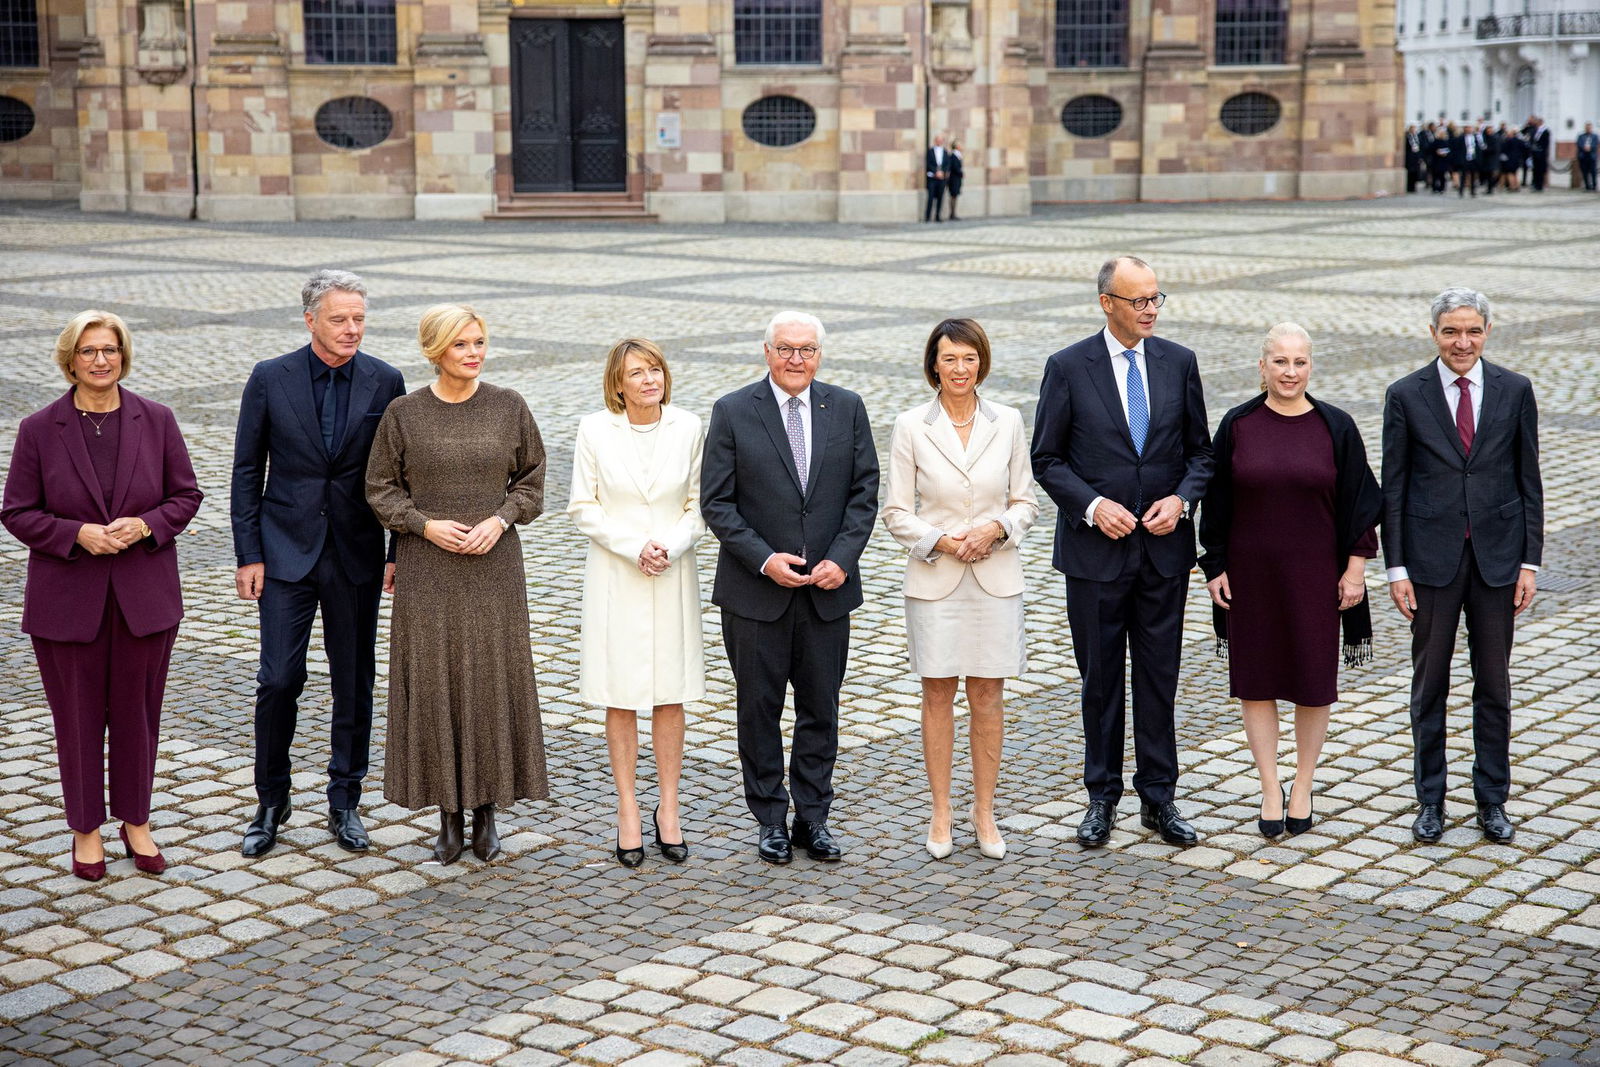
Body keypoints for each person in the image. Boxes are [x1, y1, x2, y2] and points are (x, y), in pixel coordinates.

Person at [1, 311, 202, 880]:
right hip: (68, 603)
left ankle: (136, 821)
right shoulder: (40, 429)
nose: (100, 360)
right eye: (88, 351)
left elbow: (185, 495)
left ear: (123, 355)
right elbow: (16, 511)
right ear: (70, 360)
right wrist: (76, 534)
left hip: (144, 597)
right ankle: (85, 830)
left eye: (110, 349)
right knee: (78, 719)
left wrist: (144, 526)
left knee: (139, 716)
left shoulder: (156, 420)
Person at [1031, 256, 1213, 848]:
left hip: (1163, 552)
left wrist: (1182, 501)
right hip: (1095, 555)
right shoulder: (1066, 366)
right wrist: (1091, 506)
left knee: (1160, 678)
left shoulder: (1179, 362)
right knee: (1101, 681)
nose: (1151, 310)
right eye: (1139, 301)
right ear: (1107, 303)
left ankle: (1160, 799)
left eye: (1157, 298)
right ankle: (1101, 798)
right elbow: (1047, 459)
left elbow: (1200, 454)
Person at [231, 269, 406, 858]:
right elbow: (246, 470)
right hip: (284, 553)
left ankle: (345, 800)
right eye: (340, 319)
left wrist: (396, 551)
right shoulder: (269, 378)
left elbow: (400, 477)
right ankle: (271, 800)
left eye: (359, 318)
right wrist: (248, 552)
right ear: (310, 320)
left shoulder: (386, 380)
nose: (352, 328)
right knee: (279, 678)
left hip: (356, 555)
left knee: (353, 681)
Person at [365, 304, 548, 864]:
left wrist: (500, 519)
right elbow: (380, 488)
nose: (474, 353)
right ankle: (447, 813)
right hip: (429, 570)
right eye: (461, 344)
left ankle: (488, 811)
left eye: (479, 342)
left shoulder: (508, 406)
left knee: (492, 680)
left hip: (494, 568)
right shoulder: (404, 414)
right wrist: (425, 526)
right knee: (436, 681)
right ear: (435, 351)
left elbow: (533, 480)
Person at [700, 310, 879, 864]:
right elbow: (717, 503)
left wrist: (842, 559)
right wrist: (762, 560)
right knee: (759, 707)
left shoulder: (846, 407)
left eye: (806, 350)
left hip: (827, 591)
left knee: (821, 708)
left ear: (820, 354)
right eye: (785, 349)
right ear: (767, 351)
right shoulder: (733, 411)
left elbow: (864, 493)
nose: (796, 359)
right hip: (756, 594)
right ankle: (770, 819)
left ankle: (814, 817)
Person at [1199, 323, 1380, 839]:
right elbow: (1215, 504)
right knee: (1256, 684)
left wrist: (1355, 568)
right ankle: (1270, 787)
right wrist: (1215, 567)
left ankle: (1303, 784)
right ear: (1262, 367)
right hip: (1252, 578)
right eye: (1280, 361)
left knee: (1312, 685)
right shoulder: (1238, 425)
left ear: (1311, 367)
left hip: (1316, 578)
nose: (1290, 372)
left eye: (1299, 362)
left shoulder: (1336, 426)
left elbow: (1361, 502)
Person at [1383, 288, 1542, 845]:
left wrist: (1529, 562)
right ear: (1434, 334)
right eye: (1451, 331)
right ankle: (1430, 801)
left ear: (1488, 332)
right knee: (1429, 686)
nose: (1462, 342)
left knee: (1493, 686)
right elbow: (1394, 488)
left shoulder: (1515, 390)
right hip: (1430, 565)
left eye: (1472, 331)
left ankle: (1492, 801)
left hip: (1499, 562)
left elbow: (1529, 483)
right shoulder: (1405, 395)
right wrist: (1395, 568)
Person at [882, 318, 1038, 860]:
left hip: (995, 579)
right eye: (949, 359)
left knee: (989, 696)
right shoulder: (910, 425)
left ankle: (985, 811)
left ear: (982, 363)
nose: (960, 369)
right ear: (934, 365)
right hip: (936, 580)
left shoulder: (1009, 421)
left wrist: (996, 529)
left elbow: (1026, 502)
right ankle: (942, 809)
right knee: (938, 694)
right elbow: (896, 512)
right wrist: (943, 541)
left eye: (969, 359)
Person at [568, 338, 706, 868]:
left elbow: (700, 504)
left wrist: (668, 546)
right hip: (616, 573)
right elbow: (583, 506)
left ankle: (668, 808)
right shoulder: (594, 429)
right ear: (617, 384)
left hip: (672, 571)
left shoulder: (689, 428)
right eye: (637, 373)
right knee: (620, 693)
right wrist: (634, 547)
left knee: (671, 691)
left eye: (655, 370)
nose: (650, 380)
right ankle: (628, 807)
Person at [924, 134, 949, 223]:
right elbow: (928, 163)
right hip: (932, 177)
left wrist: (943, 172)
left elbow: (947, 164)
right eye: (938, 140)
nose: (939, 142)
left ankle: (938, 215)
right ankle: (927, 216)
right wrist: (936, 172)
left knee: (940, 197)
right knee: (930, 197)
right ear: (935, 141)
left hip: (941, 178)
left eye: (941, 140)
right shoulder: (930, 151)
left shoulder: (945, 152)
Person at [1528, 117, 1551, 191]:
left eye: (1537, 122)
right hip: (1535, 154)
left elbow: (1545, 143)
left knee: (1541, 170)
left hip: (1541, 154)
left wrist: (1541, 150)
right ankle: (1535, 184)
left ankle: (1540, 185)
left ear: (1540, 122)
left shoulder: (1545, 131)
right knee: (1535, 170)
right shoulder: (1535, 130)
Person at [946, 140, 965, 221]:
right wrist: (961, 173)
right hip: (953, 179)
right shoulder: (953, 155)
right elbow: (954, 167)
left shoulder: (958, 155)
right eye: (960, 145)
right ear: (957, 146)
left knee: (955, 196)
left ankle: (953, 213)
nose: (962, 146)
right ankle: (952, 214)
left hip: (956, 179)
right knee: (953, 195)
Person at [1577, 122, 1598, 191]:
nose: (1588, 129)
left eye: (1589, 128)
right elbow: (1579, 144)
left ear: (1591, 128)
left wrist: (1590, 148)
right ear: (1585, 128)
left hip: (1592, 156)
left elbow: (1596, 144)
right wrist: (1584, 148)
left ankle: (1594, 186)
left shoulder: (1595, 136)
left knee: (1593, 172)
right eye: (1587, 128)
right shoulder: (1581, 136)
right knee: (1584, 171)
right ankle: (1587, 186)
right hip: (1583, 156)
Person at [1404, 125, 1423, 194]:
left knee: (1415, 172)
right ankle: (1409, 187)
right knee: (1410, 172)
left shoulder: (1417, 137)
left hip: (1416, 156)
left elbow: (1420, 146)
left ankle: (1414, 186)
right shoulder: (1407, 137)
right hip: (1410, 156)